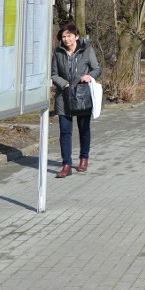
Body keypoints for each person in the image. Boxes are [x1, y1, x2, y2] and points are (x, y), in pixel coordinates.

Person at [51, 22, 102, 178]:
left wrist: (89, 76)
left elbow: (97, 69)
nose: (66, 39)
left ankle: (83, 158)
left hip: (82, 96)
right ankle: (66, 164)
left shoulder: (87, 51)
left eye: (69, 36)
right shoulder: (58, 53)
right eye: (63, 37)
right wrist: (63, 83)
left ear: (76, 36)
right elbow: (53, 74)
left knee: (83, 129)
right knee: (65, 132)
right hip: (63, 97)